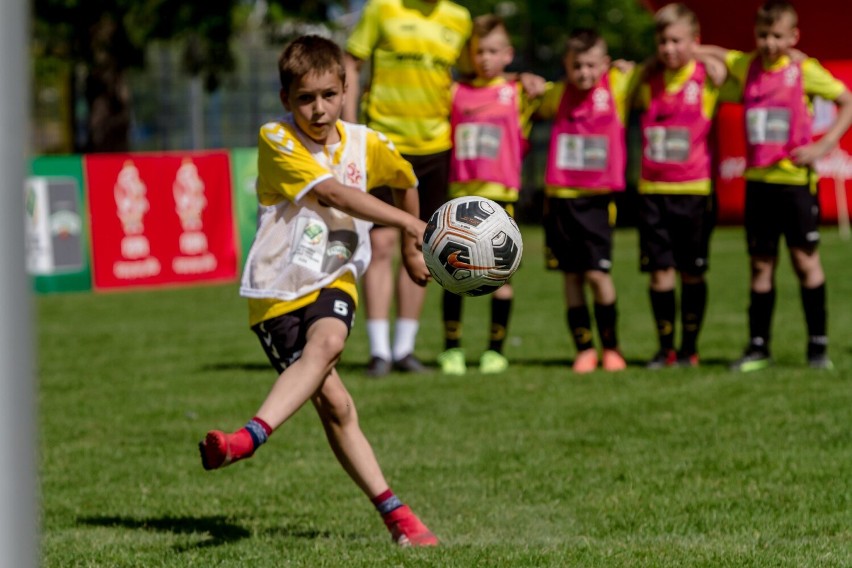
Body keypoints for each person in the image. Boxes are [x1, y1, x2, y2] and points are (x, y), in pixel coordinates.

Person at [198, 35, 438, 547]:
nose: (319, 108)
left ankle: (248, 438)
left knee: (328, 343)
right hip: (276, 292)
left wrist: (413, 249)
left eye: (330, 95)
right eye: (306, 98)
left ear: (346, 90)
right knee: (337, 407)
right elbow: (332, 191)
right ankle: (400, 519)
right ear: (286, 100)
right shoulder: (276, 138)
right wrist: (410, 227)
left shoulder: (365, 142)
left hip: (335, 276)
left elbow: (406, 176)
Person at [704, 0, 852, 371]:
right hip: (758, 184)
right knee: (760, 265)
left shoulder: (804, 70)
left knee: (805, 261)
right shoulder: (747, 65)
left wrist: (824, 144)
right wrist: (692, 48)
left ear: (793, 37)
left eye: (777, 36)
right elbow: (718, 53)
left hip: (794, 184)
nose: (769, 43)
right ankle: (758, 347)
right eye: (763, 35)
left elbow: (847, 101)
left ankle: (817, 348)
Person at [343, 0, 473, 377]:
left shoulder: (459, 18)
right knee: (382, 244)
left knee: (423, 246)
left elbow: (472, 71)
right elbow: (351, 63)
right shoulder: (381, 9)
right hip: (384, 144)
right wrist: (352, 129)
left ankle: (405, 349)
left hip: (437, 147)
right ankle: (379, 351)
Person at [435, 15, 538, 375]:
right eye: (479, 51)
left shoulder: (518, 92)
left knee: (501, 278)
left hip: (500, 200)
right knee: (452, 276)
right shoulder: (455, 92)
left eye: (493, 51)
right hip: (459, 202)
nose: (485, 58)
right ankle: (452, 349)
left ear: (508, 54)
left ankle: (495, 350)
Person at [534, 29, 636, 374]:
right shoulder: (557, 94)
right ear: (566, 64)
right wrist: (524, 79)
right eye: (577, 65)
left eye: (592, 65)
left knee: (597, 274)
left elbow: (649, 70)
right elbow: (529, 96)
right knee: (571, 276)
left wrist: (630, 67)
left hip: (597, 199)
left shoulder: (618, 86)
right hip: (561, 198)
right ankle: (584, 349)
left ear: (605, 64)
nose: (584, 73)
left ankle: (612, 347)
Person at [634, 3, 724, 369]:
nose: (668, 49)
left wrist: (698, 52)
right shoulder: (647, 80)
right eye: (663, 41)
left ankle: (689, 348)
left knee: (692, 271)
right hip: (652, 192)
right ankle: (664, 347)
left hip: (694, 190)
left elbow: (730, 62)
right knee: (659, 271)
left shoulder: (707, 76)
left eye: (677, 41)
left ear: (693, 41)